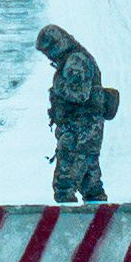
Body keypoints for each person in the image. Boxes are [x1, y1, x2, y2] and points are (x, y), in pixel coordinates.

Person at [38, 23, 110, 203]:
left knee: (65, 181)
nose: (48, 55)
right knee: (90, 183)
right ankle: (97, 214)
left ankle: (66, 217)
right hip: (83, 128)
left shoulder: (76, 61)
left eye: (48, 50)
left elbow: (80, 94)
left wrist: (58, 87)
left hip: (80, 129)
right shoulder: (72, 59)